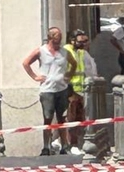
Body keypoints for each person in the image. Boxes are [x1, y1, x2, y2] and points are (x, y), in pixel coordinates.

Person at [23, 26, 77, 156]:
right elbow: (26, 63)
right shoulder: (41, 51)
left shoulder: (64, 52)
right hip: (47, 89)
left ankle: (64, 145)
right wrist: (35, 77)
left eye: (60, 37)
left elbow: (73, 64)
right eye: (57, 37)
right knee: (47, 118)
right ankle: (46, 146)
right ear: (51, 38)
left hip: (62, 88)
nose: (59, 40)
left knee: (62, 118)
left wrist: (68, 75)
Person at [64, 29, 98, 156]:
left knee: (79, 119)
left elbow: (90, 68)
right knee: (71, 119)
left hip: (81, 90)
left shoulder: (81, 52)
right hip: (71, 90)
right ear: (72, 40)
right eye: (80, 41)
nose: (83, 43)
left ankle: (68, 143)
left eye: (85, 41)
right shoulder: (67, 51)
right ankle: (70, 144)